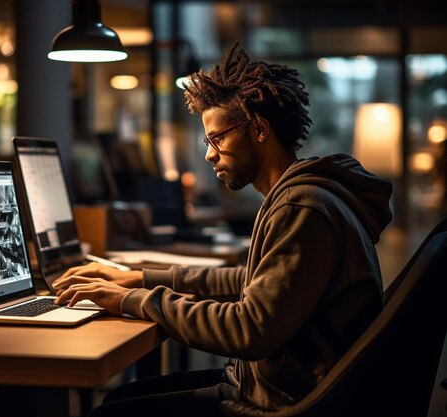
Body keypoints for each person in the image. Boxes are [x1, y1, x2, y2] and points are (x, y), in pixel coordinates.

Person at [53, 41, 393, 417]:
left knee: (112, 411)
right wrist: (138, 278)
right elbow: (251, 280)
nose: (209, 154)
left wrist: (130, 300)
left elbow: (250, 329)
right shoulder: (301, 196)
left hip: (289, 404)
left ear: (259, 129)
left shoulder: (303, 207)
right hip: (278, 386)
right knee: (120, 400)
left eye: (217, 139)